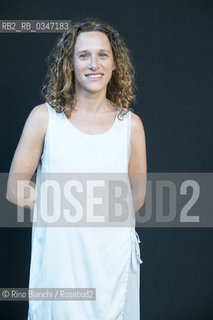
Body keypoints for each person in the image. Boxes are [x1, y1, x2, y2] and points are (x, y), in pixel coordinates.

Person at [6, 18, 147, 319]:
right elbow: (15, 190)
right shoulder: (44, 118)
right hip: (62, 256)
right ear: (69, 64)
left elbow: (136, 198)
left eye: (102, 54)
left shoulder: (130, 125)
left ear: (114, 64)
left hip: (111, 257)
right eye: (83, 55)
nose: (94, 64)